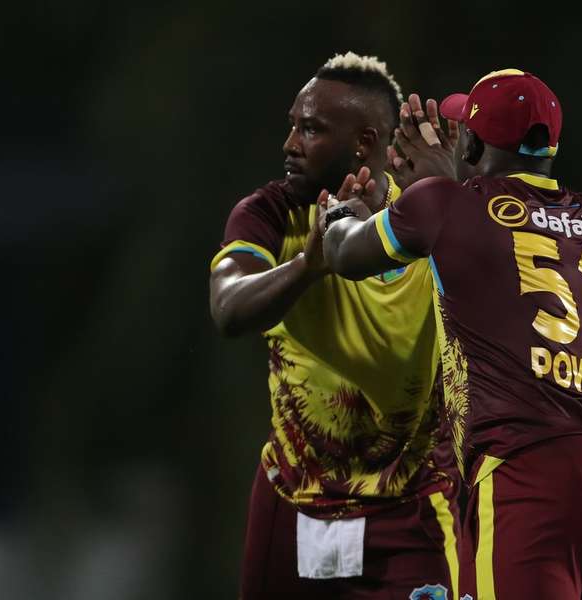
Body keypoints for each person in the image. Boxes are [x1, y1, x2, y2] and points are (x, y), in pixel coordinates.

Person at [322, 68, 582, 600]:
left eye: (464, 129)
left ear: (475, 143)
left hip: (527, 475)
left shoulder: (443, 204)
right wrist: (450, 185)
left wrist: (341, 215)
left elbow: (345, 255)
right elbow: (498, 249)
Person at [208, 52, 460, 600]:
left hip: (410, 509)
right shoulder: (270, 215)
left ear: (364, 143)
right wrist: (308, 265)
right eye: (292, 125)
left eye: (311, 129)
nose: (290, 144)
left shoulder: (428, 222)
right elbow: (228, 310)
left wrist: (453, 202)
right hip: (292, 498)